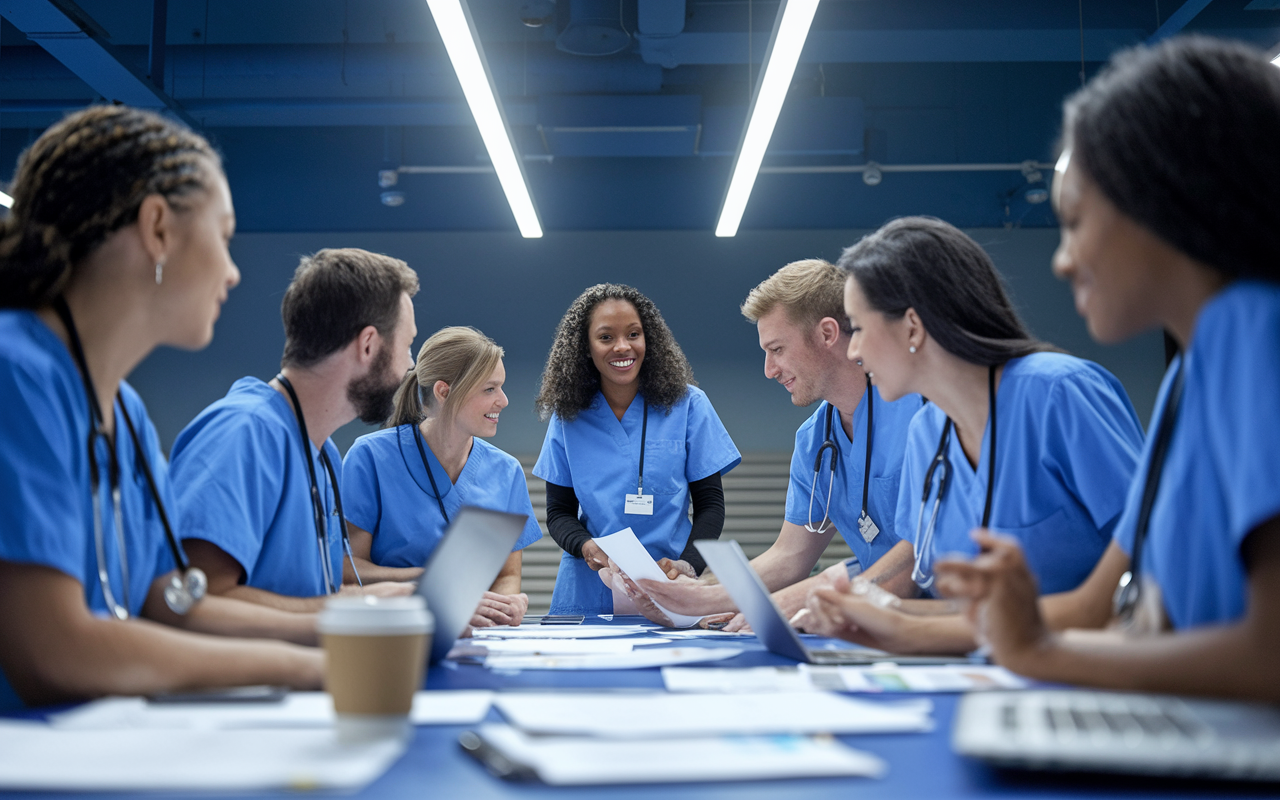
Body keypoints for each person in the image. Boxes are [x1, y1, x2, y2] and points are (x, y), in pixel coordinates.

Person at [926, 37, 1280, 702]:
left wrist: (1041, 651)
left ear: (1165, 199)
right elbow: (1145, 632)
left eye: (1076, 221)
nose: (1061, 262)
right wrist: (1023, 637)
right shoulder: (1187, 377)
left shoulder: (1251, 326)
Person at [0, 105, 322, 710]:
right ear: (157, 227)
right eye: (224, 237)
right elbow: (53, 652)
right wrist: (306, 669)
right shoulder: (13, 372)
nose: (231, 273)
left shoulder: (126, 414)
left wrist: (337, 634)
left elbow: (170, 606)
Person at [801, 217, 1145, 654]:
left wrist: (910, 628)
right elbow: (966, 610)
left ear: (912, 326)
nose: (853, 351)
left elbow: (1151, 571)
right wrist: (871, 609)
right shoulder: (927, 434)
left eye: (859, 328)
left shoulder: (1059, 394)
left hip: (1098, 673)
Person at [617, 259, 922, 629]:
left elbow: (920, 549)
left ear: (828, 334)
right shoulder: (815, 439)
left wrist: (798, 598)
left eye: (777, 349)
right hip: (881, 623)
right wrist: (696, 596)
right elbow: (790, 555)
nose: (769, 369)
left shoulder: (921, 414)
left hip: (944, 617)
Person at [169, 248, 419, 612]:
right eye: (408, 346)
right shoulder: (243, 433)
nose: (410, 366)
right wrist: (365, 603)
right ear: (368, 345)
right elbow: (196, 599)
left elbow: (309, 598)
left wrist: (405, 601)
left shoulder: (323, 453)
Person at [532, 283, 741, 618]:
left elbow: (710, 505)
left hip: (669, 583)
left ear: (649, 339)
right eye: (605, 337)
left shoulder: (689, 405)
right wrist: (588, 547)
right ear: (584, 346)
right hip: (590, 588)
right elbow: (559, 513)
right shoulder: (567, 416)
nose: (622, 347)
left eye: (633, 334)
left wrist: (689, 565)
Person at [341, 326, 541, 627]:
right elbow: (348, 569)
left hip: (473, 638)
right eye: (490, 389)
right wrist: (432, 581)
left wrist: (502, 608)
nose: (504, 400)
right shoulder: (370, 458)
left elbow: (507, 574)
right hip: (392, 632)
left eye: (501, 387)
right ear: (444, 392)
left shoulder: (506, 472)